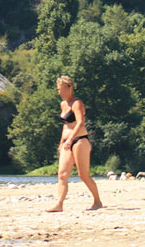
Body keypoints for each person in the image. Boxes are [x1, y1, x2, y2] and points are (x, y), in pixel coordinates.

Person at [45, 75, 103, 212]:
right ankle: (59, 204)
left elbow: (80, 122)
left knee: (83, 175)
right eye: (58, 89)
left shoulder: (77, 103)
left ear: (70, 88)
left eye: (61, 89)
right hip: (66, 141)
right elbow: (66, 125)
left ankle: (97, 201)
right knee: (62, 174)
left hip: (80, 140)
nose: (59, 92)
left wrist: (71, 138)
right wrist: (62, 142)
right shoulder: (63, 104)